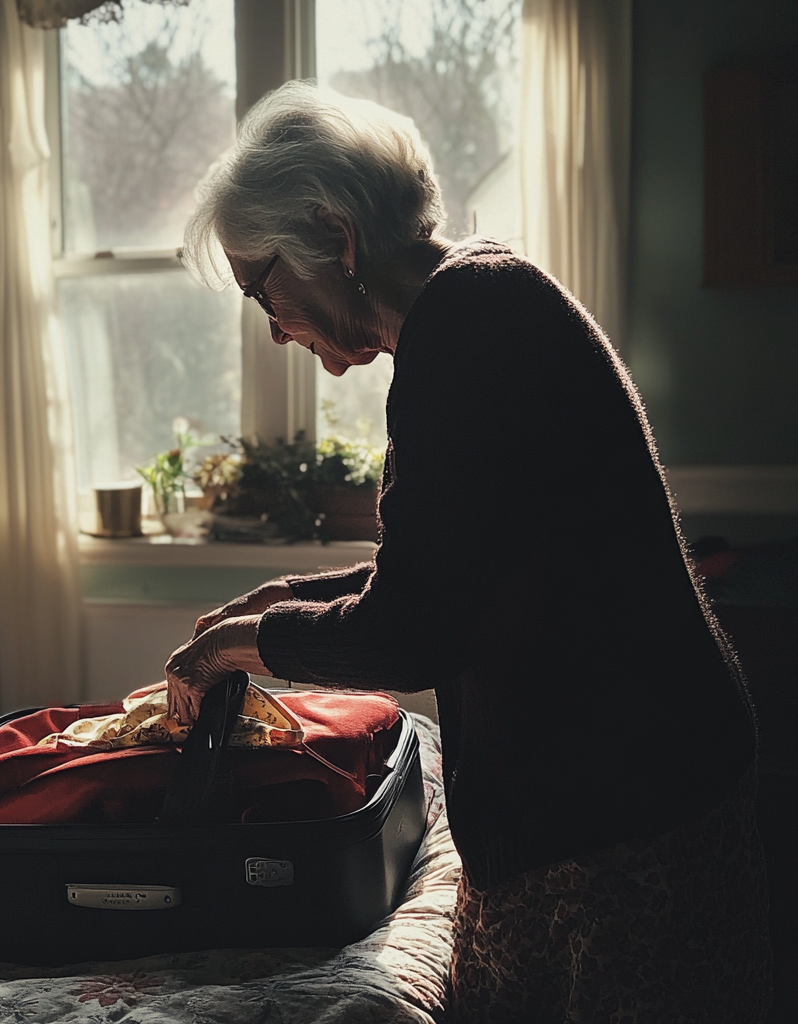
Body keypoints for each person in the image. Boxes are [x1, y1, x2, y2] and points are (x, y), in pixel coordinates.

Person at [166, 81, 772, 1023]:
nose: (273, 324)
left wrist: (235, 648)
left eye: (262, 286)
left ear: (337, 233)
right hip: (607, 793)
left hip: (626, 806)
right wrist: (268, 602)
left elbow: (413, 631)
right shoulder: (471, 309)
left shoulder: (471, 321)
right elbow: (448, 576)